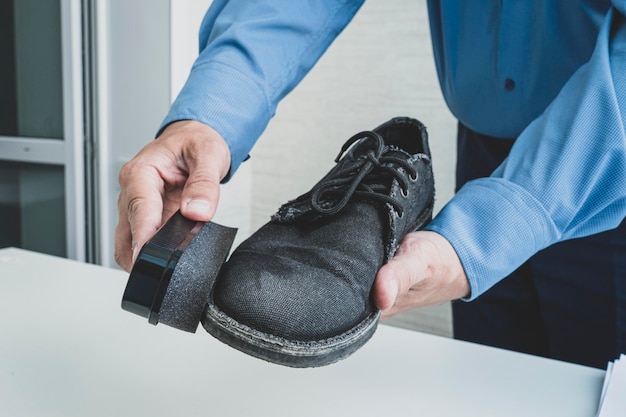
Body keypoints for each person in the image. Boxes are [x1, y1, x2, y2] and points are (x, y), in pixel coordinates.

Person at [115, 1, 626, 369]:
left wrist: (501, 223)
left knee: (590, 380)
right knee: (490, 374)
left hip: (607, 172)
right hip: (482, 151)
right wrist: (209, 117)